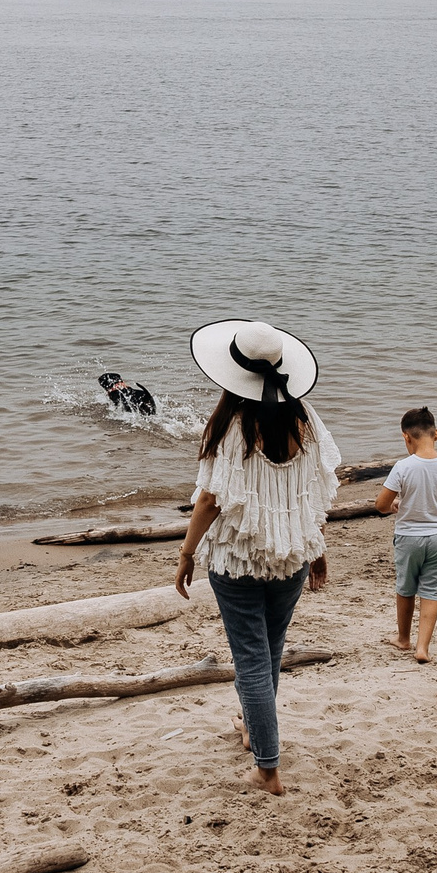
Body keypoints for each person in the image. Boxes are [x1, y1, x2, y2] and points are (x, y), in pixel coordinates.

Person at [173, 319, 337, 796]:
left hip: (240, 561)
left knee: (250, 659)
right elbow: (315, 491)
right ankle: (251, 728)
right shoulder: (306, 421)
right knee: (270, 650)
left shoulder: (229, 426)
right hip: (291, 557)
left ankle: (268, 769)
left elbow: (208, 501)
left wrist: (186, 554)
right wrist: (318, 548)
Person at [375, 406, 437, 663]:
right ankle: (422, 648)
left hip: (409, 537)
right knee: (432, 591)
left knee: (406, 587)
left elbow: (381, 505)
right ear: (436, 434)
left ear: (406, 437)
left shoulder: (403, 466)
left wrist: (396, 506)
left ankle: (403, 638)